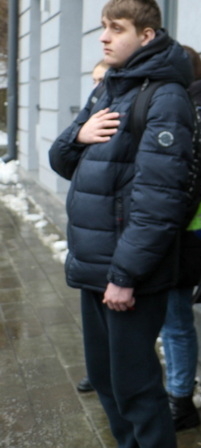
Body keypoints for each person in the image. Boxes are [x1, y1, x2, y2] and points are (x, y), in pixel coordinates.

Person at [49, 0, 194, 448]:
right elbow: (61, 159)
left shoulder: (165, 97)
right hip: (95, 265)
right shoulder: (110, 87)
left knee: (135, 388)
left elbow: (160, 201)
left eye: (117, 29)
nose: (104, 38)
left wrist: (125, 275)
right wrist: (80, 134)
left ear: (146, 35)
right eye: (103, 27)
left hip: (126, 273)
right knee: (105, 380)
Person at [160, 45, 201, 430]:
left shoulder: (198, 113)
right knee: (171, 321)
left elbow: (190, 178)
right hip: (177, 233)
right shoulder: (192, 106)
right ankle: (175, 394)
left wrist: (160, 226)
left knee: (176, 322)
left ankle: (181, 402)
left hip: (182, 236)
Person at [75, 58, 114, 396]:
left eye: (103, 79)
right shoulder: (95, 111)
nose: (97, 88)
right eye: (94, 81)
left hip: (116, 251)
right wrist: (79, 134)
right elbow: (61, 157)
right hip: (92, 248)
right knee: (97, 333)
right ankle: (99, 372)